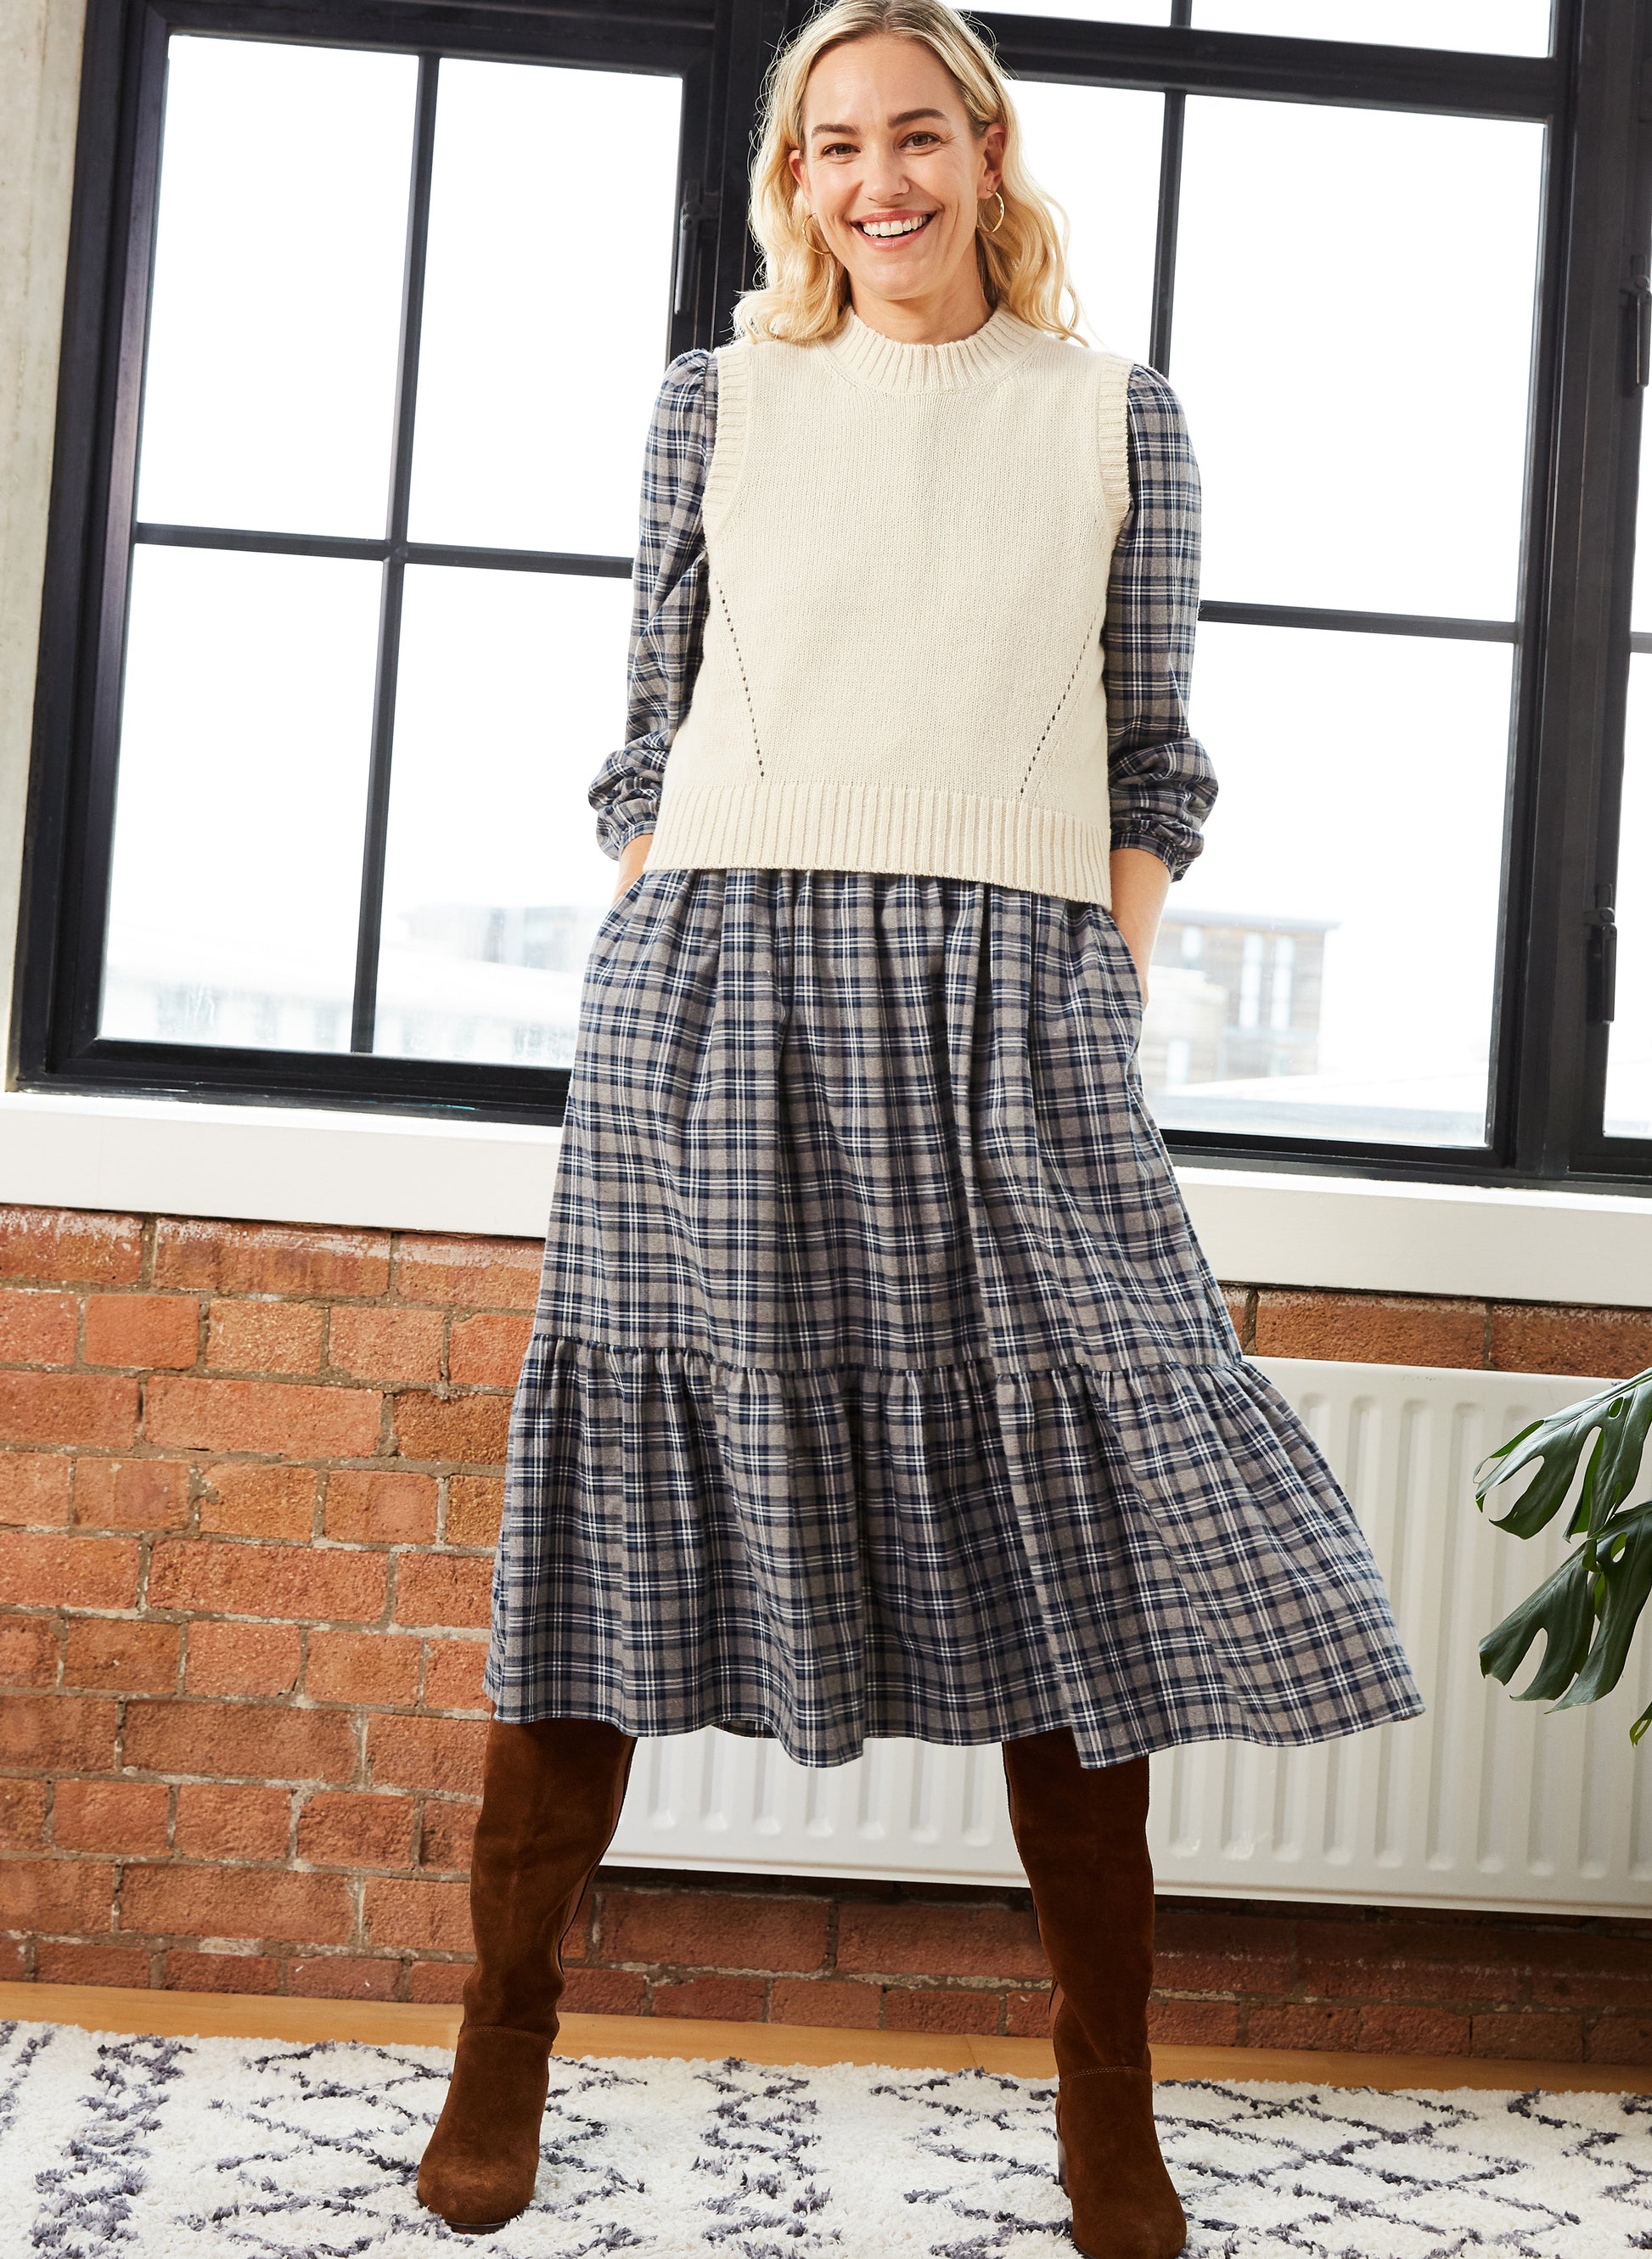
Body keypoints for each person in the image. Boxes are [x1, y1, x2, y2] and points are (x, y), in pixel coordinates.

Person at [416, 3, 1424, 2249]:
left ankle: (1106, 2102)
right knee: (618, 1513)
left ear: (983, 148)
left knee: (1073, 1516)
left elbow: (1154, 748)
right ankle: (502, 2032)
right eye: (830, 146)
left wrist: (1099, 971)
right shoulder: (715, 402)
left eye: (913, 136)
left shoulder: (1113, 415)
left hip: (1012, 998)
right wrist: (680, 915)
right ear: (793, 180)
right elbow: (645, 720)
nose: (875, 181)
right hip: (718, 990)